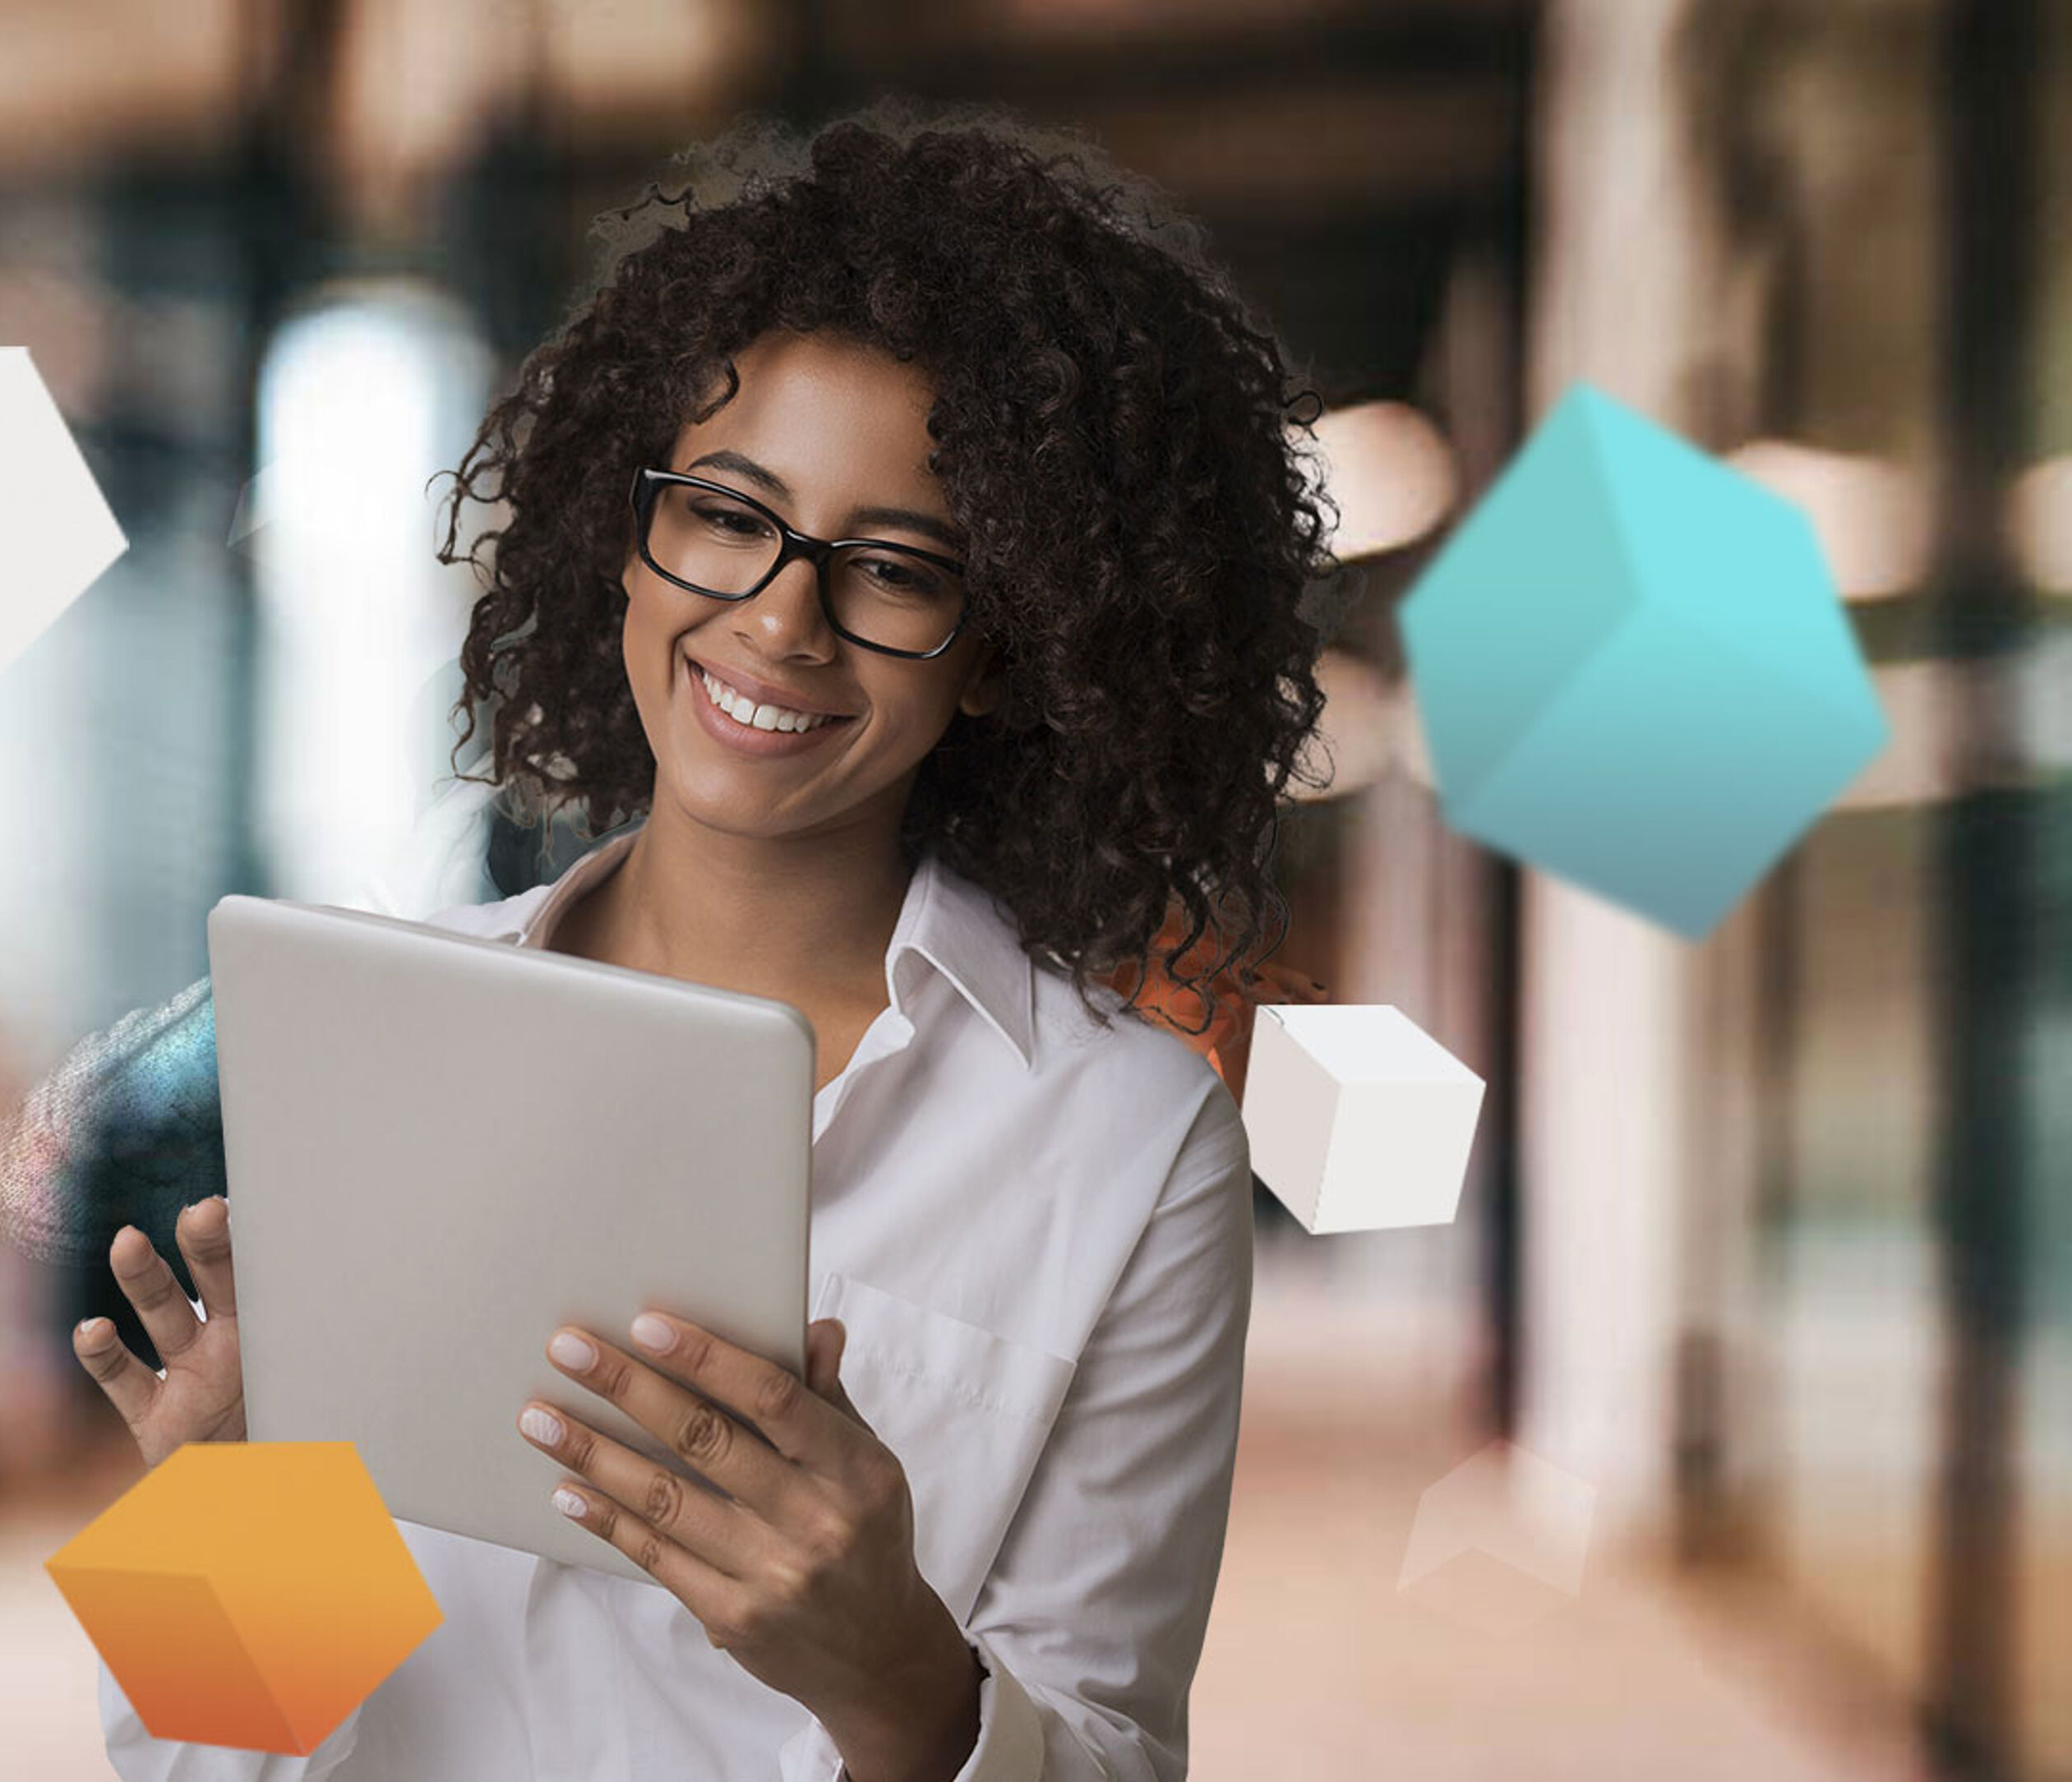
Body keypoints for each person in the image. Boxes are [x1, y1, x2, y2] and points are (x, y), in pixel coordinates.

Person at [72, 104, 1331, 1782]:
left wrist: (903, 1686)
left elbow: (1112, 1755)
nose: (781, 618)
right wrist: (222, 1541)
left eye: (892, 567)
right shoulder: (381, 1034)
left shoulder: (1121, 1145)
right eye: (730, 516)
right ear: (627, 532)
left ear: (1011, 654)